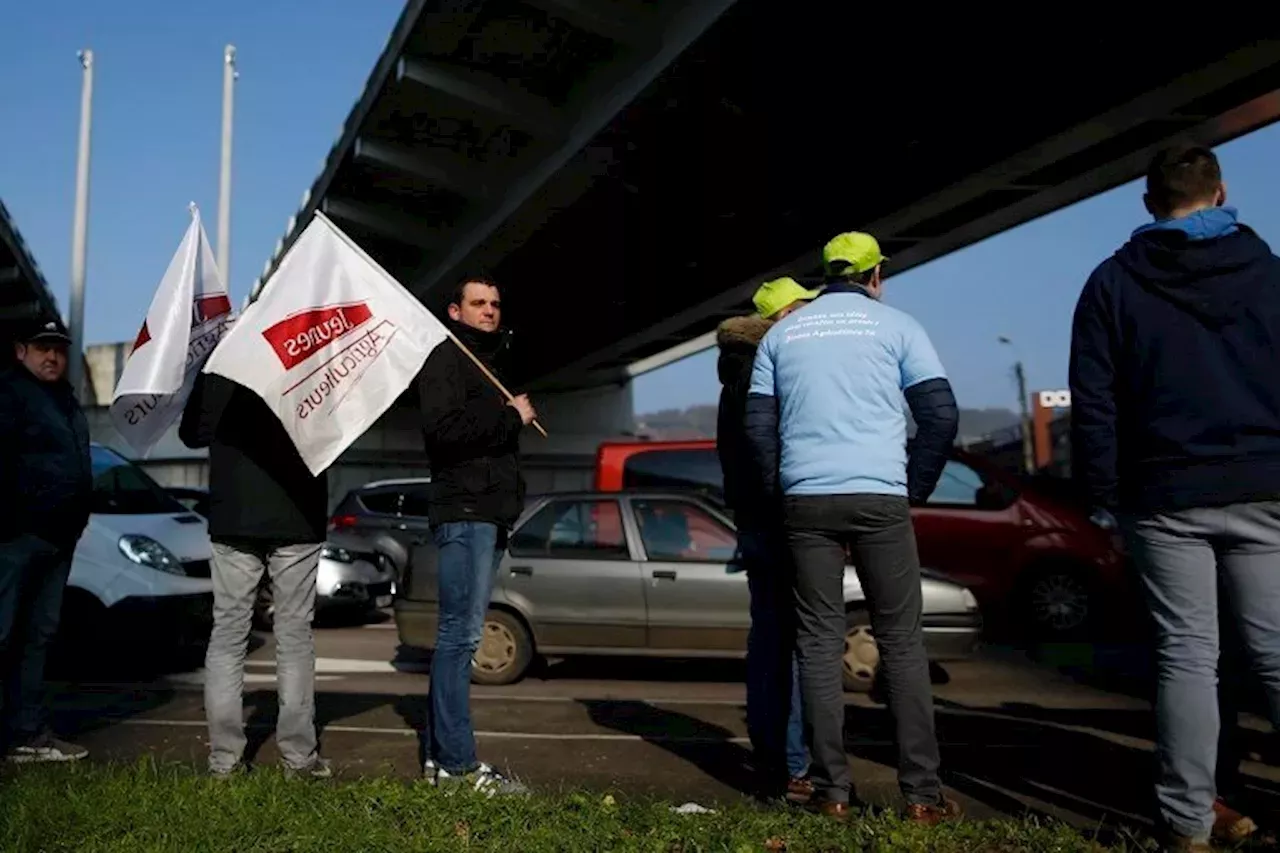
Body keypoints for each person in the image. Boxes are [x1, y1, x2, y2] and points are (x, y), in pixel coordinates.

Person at [1070, 143, 1280, 851]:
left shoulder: (1111, 283)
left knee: (1188, 655)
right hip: (1263, 483)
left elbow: (1093, 404)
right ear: (1221, 194)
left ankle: (1188, 821)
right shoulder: (1269, 274)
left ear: (1148, 204)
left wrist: (1104, 499)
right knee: (1277, 652)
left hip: (1162, 492)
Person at [745, 232, 960, 823]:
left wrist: (783, 488)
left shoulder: (782, 335)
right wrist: (912, 486)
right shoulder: (898, 327)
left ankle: (831, 791)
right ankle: (921, 796)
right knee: (901, 642)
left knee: (816, 642)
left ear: (824, 275)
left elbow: (758, 428)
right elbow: (940, 415)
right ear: (875, 276)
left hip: (806, 500)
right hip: (879, 496)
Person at [180, 352, 331, 779]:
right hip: (296, 514)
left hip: (235, 516)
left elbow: (193, 433)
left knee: (228, 635)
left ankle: (224, 762)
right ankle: (299, 759)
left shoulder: (223, 363)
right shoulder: (309, 357)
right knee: (294, 637)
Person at [417, 277, 535, 794]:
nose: (489, 311)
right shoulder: (445, 357)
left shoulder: (494, 360)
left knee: (459, 638)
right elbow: (443, 431)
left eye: (495, 303)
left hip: (489, 512)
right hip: (465, 511)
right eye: (478, 303)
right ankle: (457, 767)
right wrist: (510, 415)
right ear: (455, 310)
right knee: (458, 638)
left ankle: (439, 757)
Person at [716, 276, 817, 803]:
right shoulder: (768, 369)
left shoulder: (734, 370)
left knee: (768, 639)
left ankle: (773, 758)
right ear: (780, 320)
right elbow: (771, 447)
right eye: (803, 312)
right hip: (779, 515)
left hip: (752, 517)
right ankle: (796, 765)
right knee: (799, 642)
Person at [0, 317, 91, 763]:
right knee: (3, 633)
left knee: (37, 636)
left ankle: (27, 734)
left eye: (58, 348)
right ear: (21, 351)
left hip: (57, 539)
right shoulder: (9, 393)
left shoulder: (66, 400)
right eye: (42, 348)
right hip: (17, 540)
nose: (52, 356)